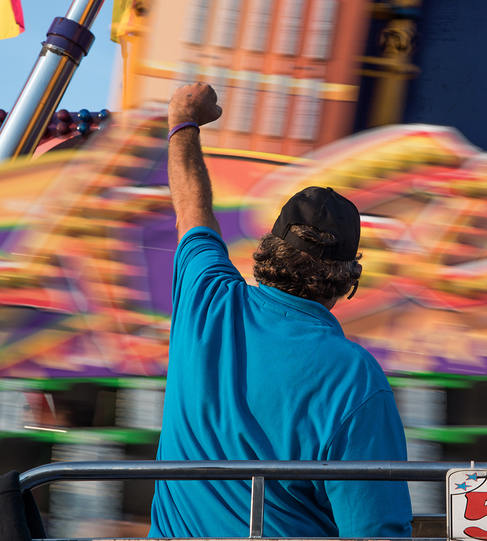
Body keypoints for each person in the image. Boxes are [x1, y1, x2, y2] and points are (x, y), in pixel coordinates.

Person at [149, 83, 413, 538]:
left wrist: (183, 120)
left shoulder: (206, 301)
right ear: (348, 279)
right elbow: (374, 529)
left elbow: (192, 210)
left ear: (268, 250)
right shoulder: (354, 378)